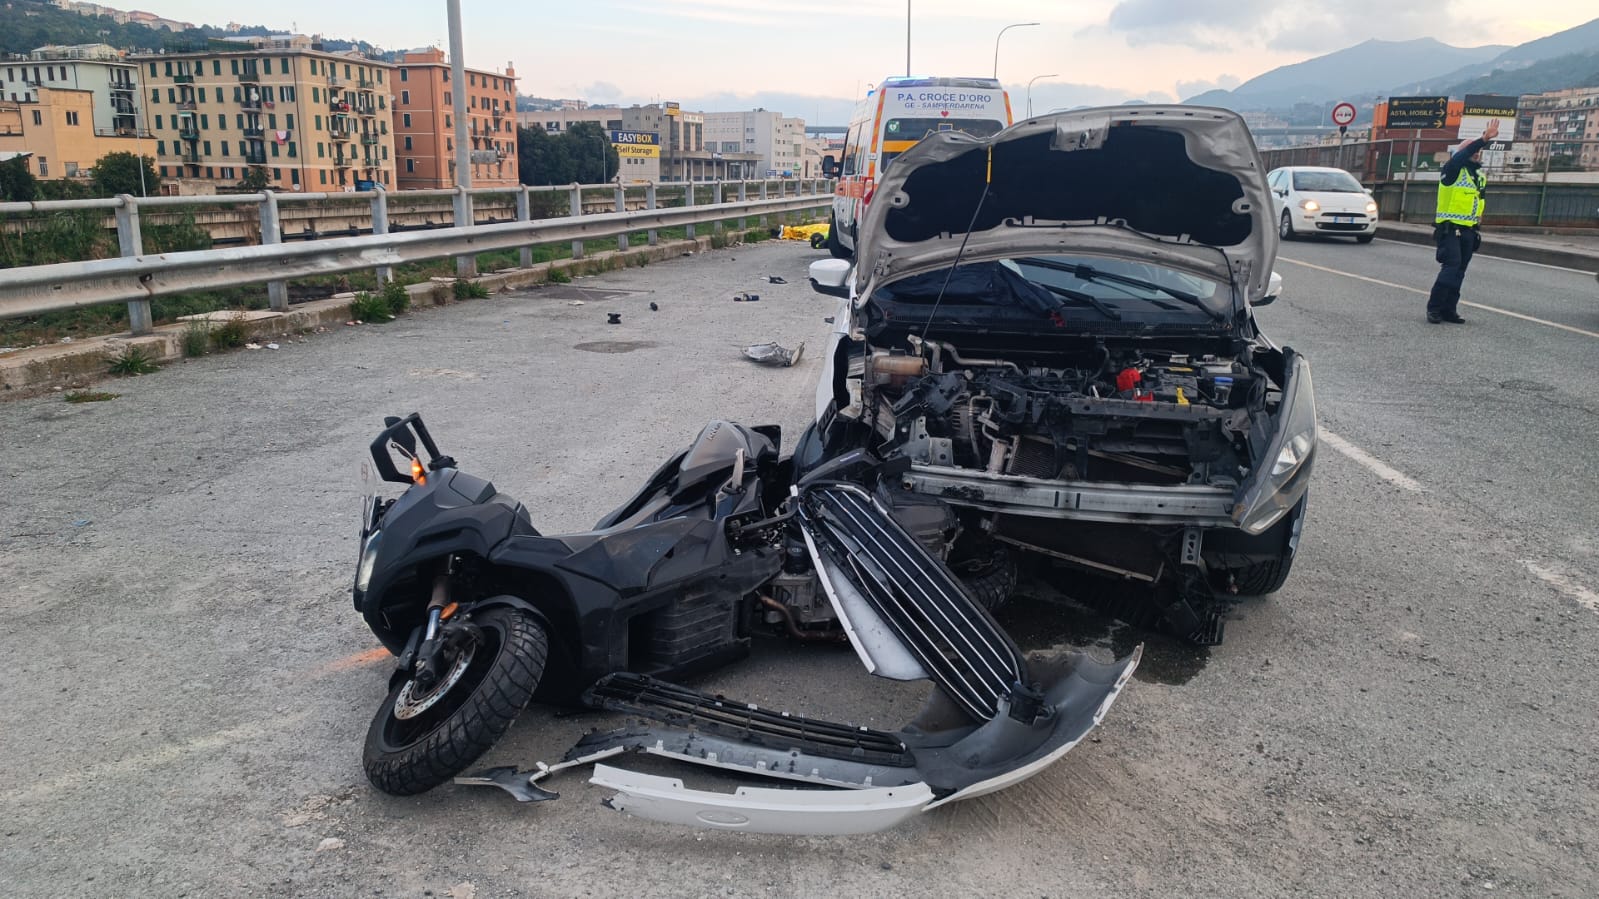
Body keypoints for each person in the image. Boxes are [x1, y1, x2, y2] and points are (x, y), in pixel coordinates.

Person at [1426, 118, 1499, 324]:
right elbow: (1461, 156)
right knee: (1451, 266)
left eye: (1478, 151)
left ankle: (1449, 310)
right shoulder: (1452, 171)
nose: (1476, 153)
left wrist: (1478, 224)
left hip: (1469, 230)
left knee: (1460, 271)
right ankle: (1434, 309)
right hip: (1450, 229)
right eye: (1472, 150)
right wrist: (1483, 138)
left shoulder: (1479, 176)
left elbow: (1480, 201)